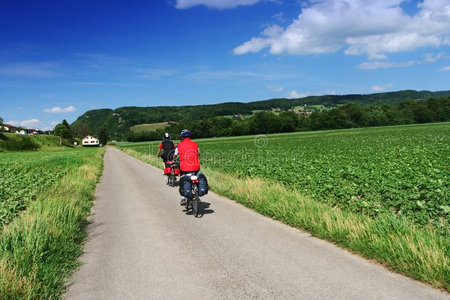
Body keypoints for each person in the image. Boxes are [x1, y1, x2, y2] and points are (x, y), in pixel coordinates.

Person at [173, 129, 200, 206]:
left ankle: (183, 197)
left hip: (184, 167)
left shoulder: (179, 145)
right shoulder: (195, 144)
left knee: (183, 179)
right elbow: (198, 154)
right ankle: (196, 190)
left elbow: (175, 155)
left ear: (182, 137)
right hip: (196, 166)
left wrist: (174, 160)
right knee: (195, 176)